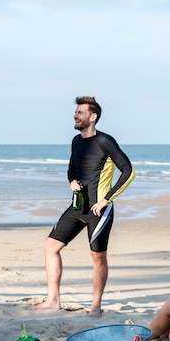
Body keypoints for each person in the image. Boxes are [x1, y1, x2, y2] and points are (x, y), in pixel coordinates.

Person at [31, 96, 135, 318]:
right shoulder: (76, 141)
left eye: (79, 112)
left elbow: (128, 171)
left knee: (97, 258)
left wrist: (106, 199)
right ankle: (53, 300)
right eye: (75, 112)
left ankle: (95, 305)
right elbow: (71, 169)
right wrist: (71, 181)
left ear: (92, 117)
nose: (75, 115)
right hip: (77, 207)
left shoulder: (105, 141)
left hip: (99, 211)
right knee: (50, 246)